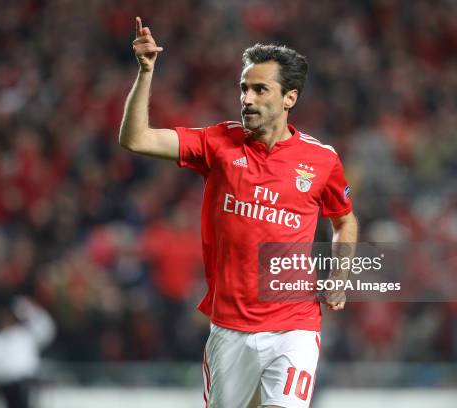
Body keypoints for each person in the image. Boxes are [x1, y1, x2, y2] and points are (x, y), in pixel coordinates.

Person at [119, 17, 358, 408]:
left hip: (294, 327)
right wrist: (145, 72)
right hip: (230, 328)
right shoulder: (217, 144)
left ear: (289, 98)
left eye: (260, 89)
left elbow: (344, 220)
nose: (247, 98)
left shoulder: (321, 161)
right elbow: (135, 138)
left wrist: (340, 276)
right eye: (244, 88)